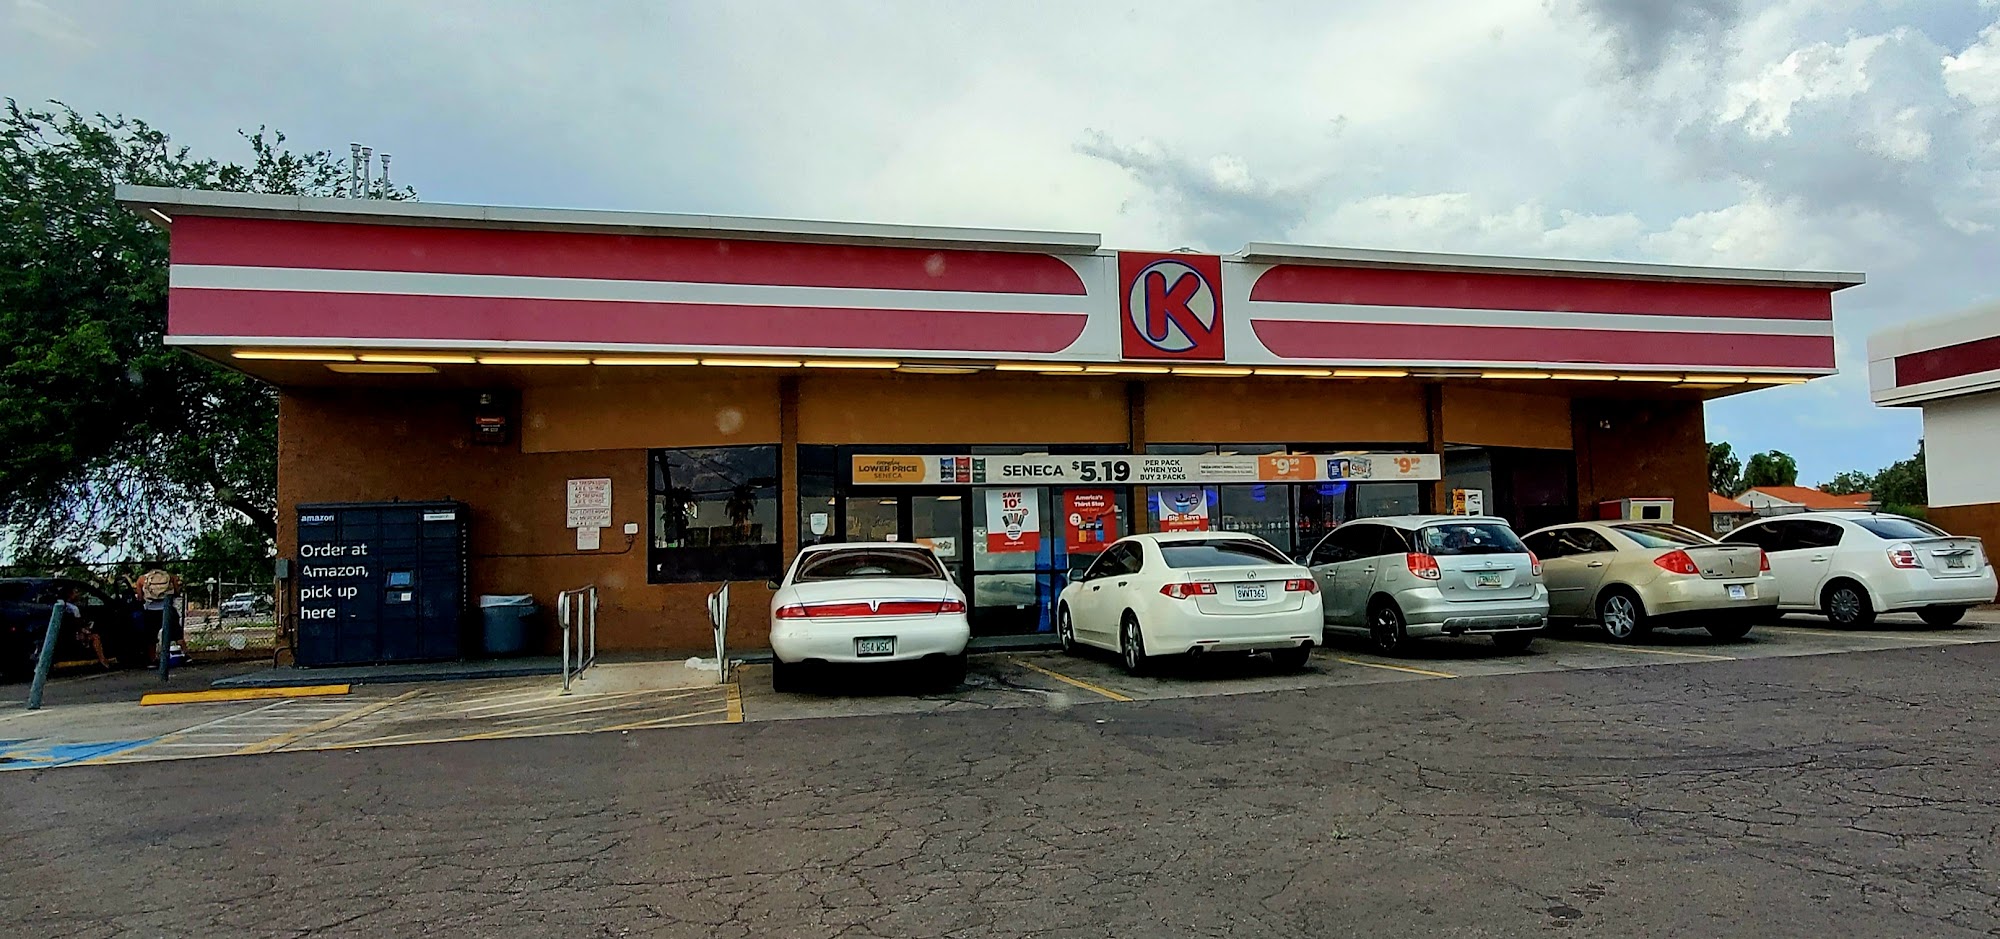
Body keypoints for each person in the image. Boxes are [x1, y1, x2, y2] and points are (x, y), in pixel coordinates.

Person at [58, 585, 112, 670]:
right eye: (75, 592)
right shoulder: (74, 609)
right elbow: (77, 625)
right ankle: (102, 659)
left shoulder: (61, 605)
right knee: (96, 637)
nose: (77, 594)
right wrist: (85, 630)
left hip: (68, 632)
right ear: (69, 594)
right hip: (76, 634)